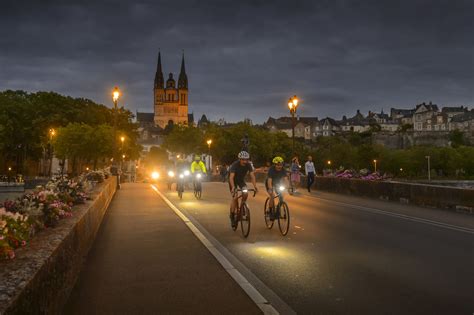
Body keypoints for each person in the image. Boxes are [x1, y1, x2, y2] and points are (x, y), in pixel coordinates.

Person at [228, 151, 258, 228]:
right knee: (235, 197)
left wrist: (255, 186)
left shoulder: (248, 165)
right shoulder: (235, 165)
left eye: (246, 160)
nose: (245, 161)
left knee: (245, 192)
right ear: (240, 159)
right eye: (243, 160)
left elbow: (252, 176)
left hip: (241, 180)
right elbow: (231, 177)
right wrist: (233, 188)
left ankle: (242, 205)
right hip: (233, 181)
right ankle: (232, 215)